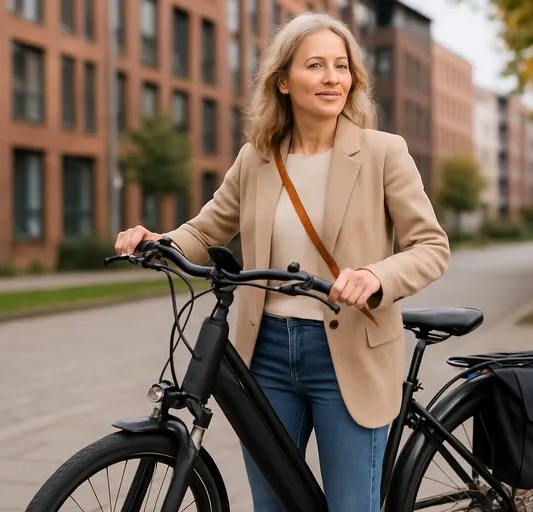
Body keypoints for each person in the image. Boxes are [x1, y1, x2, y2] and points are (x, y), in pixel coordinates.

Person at [114, 11, 450, 512]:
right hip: (265, 355)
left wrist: (375, 275)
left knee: (351, 506)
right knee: (272, 506)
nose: (332, 77)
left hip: (350, 352)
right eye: (315, 65)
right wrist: (156, 240)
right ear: (284, 81)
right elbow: (206, 231)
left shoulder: (383, 152)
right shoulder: (258, 157)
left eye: (342, 66)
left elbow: (431, 246)